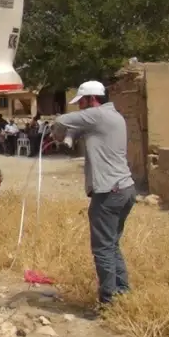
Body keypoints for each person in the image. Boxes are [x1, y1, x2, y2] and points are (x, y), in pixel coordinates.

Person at [51, 80, 136, 307]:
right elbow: (78, 130)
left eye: (82, 102)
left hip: (109, 191)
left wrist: (58, 133)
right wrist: (69, 137)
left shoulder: (97, 115)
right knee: (112, 245)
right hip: (125, 188)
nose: (81, 107)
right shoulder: (112, 116)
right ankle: (123, 293)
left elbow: (61, 120)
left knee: (102, 249)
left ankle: (108, 301)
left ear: (92, 99)